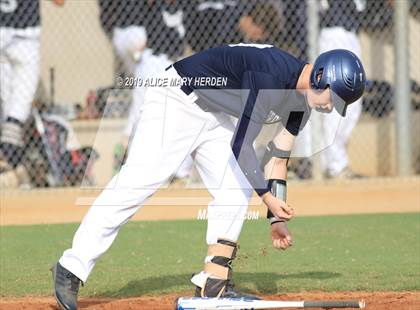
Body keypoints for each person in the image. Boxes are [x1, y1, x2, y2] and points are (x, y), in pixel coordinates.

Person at [51, 44, 365, 310]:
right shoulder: (270, 75)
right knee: (138, 183)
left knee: (237, 189)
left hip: (215, 115)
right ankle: (71, 267)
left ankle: (214, 282)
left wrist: (275, 216)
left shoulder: (302, 104)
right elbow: (243, 148)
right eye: (333, 98)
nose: (330, 107)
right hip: (176, 99)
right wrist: (266, 196)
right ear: (321, 77)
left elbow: (278, 160)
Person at [0, 0, 64, 177]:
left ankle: (11, 156)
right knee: (20, 100)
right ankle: (9, 152)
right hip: (25, 37)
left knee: (8, 100)